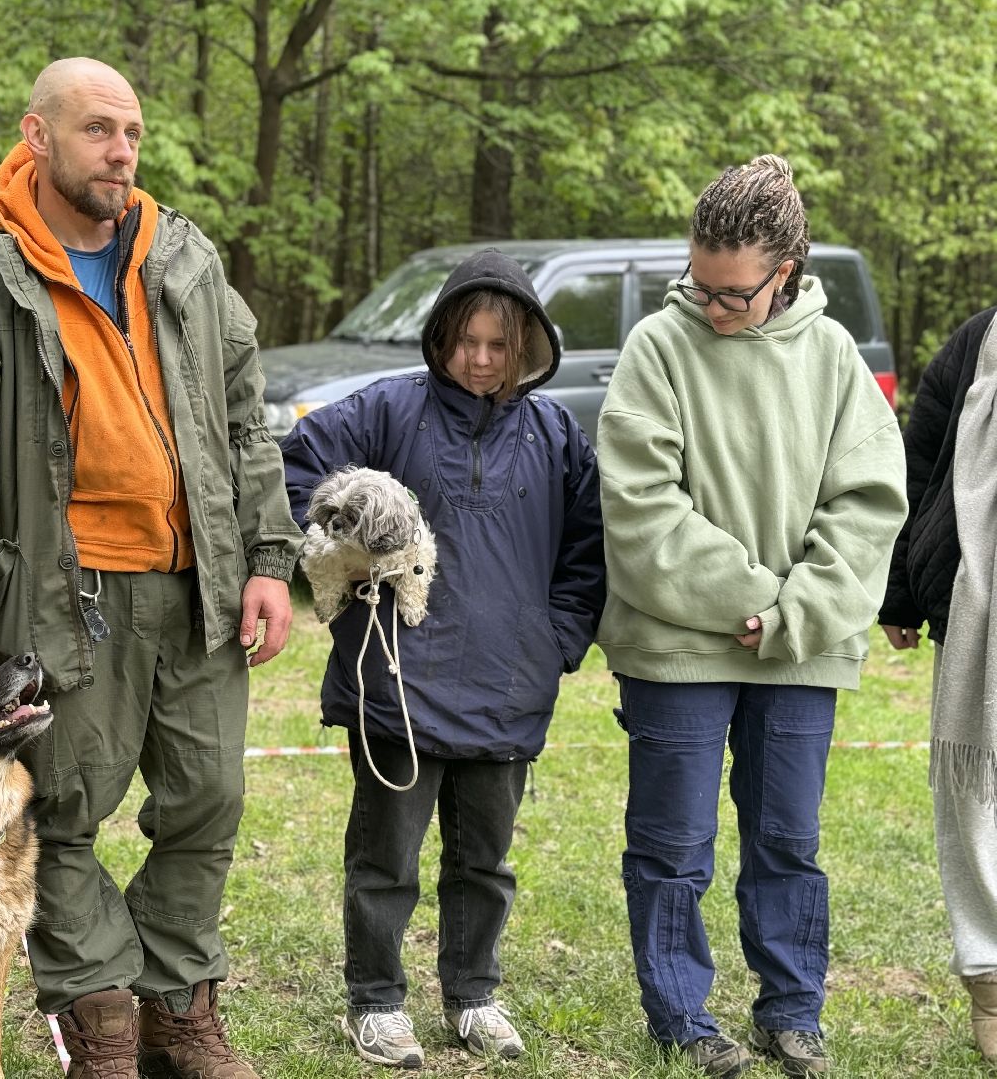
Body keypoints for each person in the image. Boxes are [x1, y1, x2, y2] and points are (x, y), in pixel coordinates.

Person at [0, 57, 302, 1079]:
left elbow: (246, 421)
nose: (121, 151)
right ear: (37, 137)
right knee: (65, 812)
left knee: (208, 800)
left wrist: (267, 557)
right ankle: (103, 1024)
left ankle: (178, 1007)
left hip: (199, 583)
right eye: (97, 131)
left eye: (131, 133)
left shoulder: (188, 263)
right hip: (62, 599)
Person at [595, 155, 907, 1079]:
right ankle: (683, 1018)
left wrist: (793, 613)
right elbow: (640, 504)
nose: (712, 306)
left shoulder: (837, 357)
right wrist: (749, 599)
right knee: (672, 844)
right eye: (701, 286)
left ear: (788, 270)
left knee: (787, 841)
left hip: (802, 649)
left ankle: (792, 1011)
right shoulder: (659, 345)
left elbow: (869, 502)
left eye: (733, 294)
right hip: (677, 645)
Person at [281, 250, 606, 1068]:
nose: (482, 359)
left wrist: (555, 641)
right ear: (441, 338)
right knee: (385, 858)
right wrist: (340, 537)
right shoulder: (389, 410)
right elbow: (295, 468)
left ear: (527, 345)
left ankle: (473, 994)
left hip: (507, 685)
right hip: (398, 680)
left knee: (485, 862)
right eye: (466, 340)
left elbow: (588, 551)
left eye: (500, 344)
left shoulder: (555, 432)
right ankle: (378, 1002)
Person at [880, 305, 997, 1065]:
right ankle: (991, 980)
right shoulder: (977, 342)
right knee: (978, 800)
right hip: (976, 604)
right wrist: (900, 589)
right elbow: (917, 466)